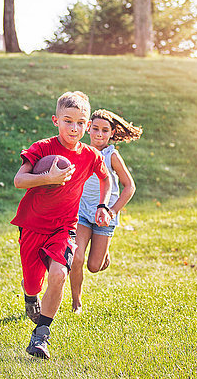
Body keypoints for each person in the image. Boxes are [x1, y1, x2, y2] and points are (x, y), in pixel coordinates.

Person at [11, 91, 112, 359]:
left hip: (64, 228)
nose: (75, 128)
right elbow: (19, 181)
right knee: (33, 283)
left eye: (81, 123)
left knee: (58, 274)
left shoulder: (91, 155)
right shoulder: (42, 148)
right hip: (32, 225)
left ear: (87, 125)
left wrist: (103, 206)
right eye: (68, 121)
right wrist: (48, 178)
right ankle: (30, 295)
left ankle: (40, 336)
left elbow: (106, 179)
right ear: (56, 120)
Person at [69, 109, 143, 314]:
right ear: (88, 128)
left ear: (111, 133)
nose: (99, 134)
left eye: (104, 130)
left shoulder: (111, 155)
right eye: (95, 129)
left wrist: (112, 211)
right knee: (76, 257)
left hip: (105, 216)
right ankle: (77, 303)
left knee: (94, 266)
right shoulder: (79, 150)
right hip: (82, 213)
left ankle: (104, 253)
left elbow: (129, 186)